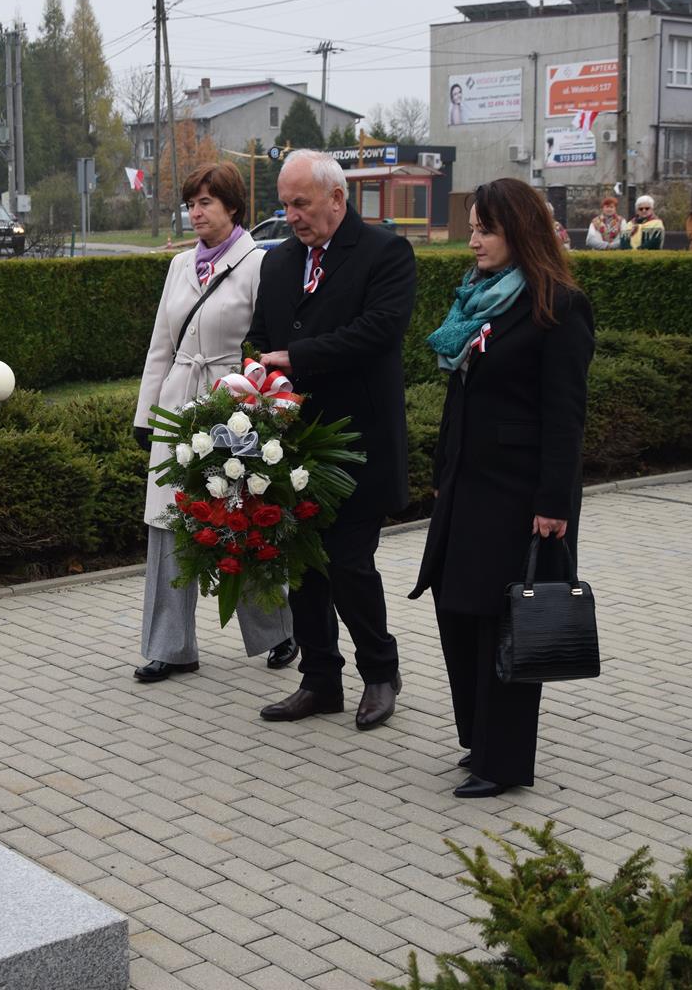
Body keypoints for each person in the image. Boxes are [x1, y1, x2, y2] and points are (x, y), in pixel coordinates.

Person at [408, 178, 594, 799]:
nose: (475, 241)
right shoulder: (476, 299)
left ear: (520, 231)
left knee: (505, 621)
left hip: (519, 496)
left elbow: (565, 416)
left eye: (486, 228)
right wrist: (443, 476)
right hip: (466, 487)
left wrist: (553, 504)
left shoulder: (558, 305)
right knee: (456, 610)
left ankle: (504, 761)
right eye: (473, 228)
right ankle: (477, 740)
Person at [246, 149, 416, 730]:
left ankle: (379, 673)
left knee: (349, 565)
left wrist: (296, 358)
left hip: (358, 444)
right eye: (285, 204)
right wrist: (256, 378)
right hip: (290, 444)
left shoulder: (385, 253)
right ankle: (319, 680)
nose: (292, 216)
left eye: (302, 203)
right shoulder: (277, 262)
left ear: (336, 199)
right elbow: (260, 336)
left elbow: (377, 332)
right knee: (302, 568)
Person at [131, 163, 297, 682]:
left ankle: (278, 630)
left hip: (233, 402)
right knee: (166, 522)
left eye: (206, 202)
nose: (196, 212)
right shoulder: (179, 266)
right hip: (179, 399)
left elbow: (268, 346)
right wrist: (146, 414)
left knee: (239, 517)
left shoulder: (258, 263)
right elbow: (162, 344)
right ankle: (170, 645)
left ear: (232, 207)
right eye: (191, 203)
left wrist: (264, 407)